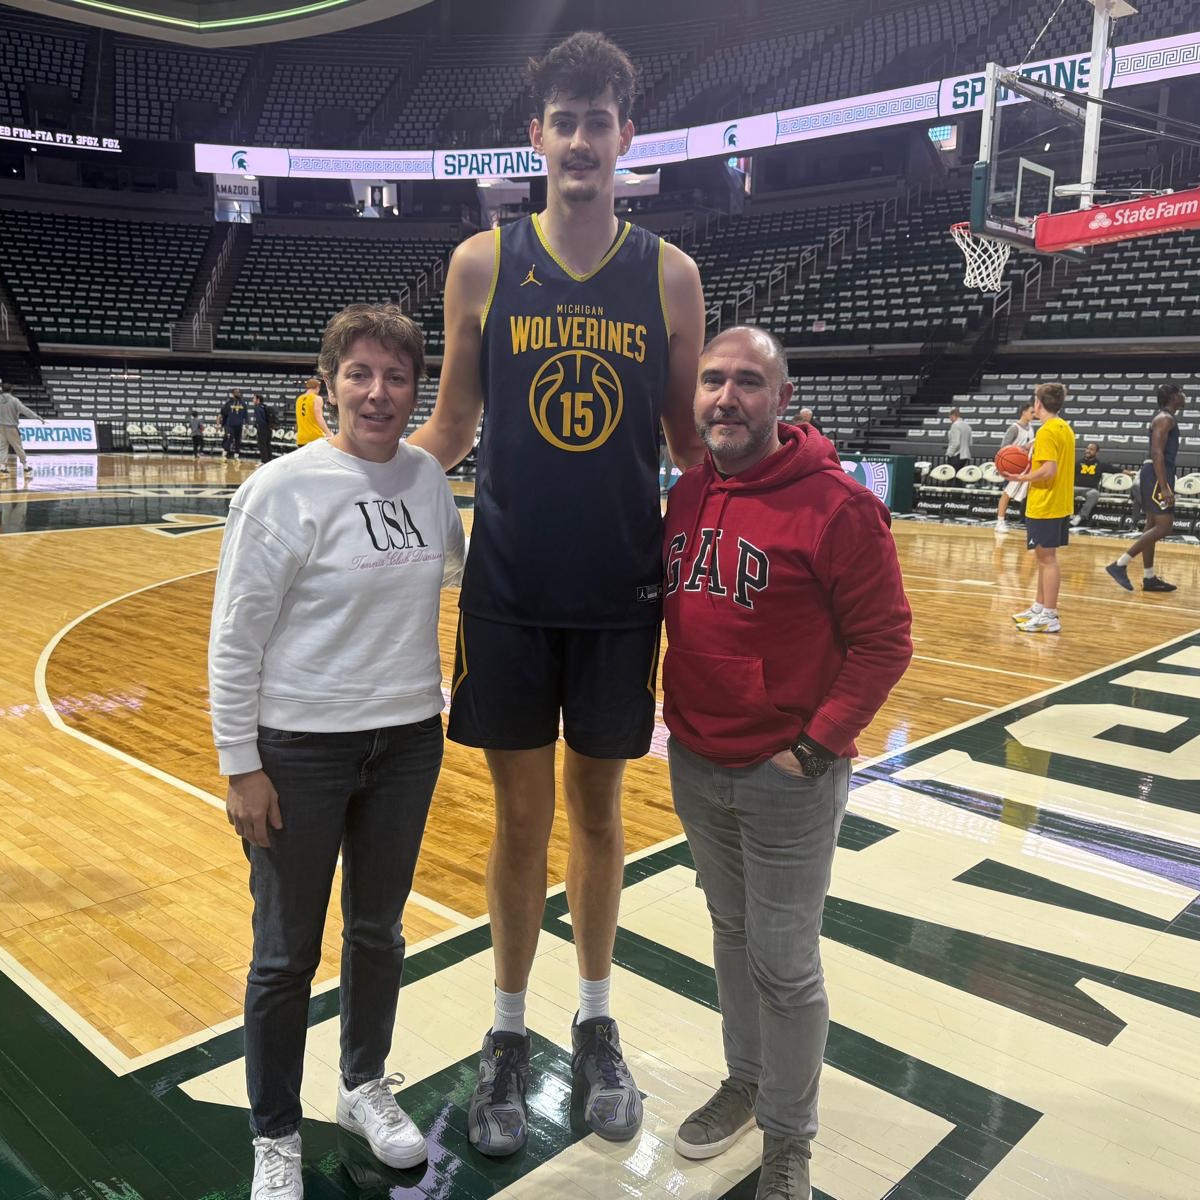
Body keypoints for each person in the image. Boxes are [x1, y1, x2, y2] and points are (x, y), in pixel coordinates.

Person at [407, 30, 706, 1157]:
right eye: (562, 121)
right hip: (510, 593)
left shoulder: (669, 274)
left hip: (625, 597)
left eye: (600, 122)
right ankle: (505, 1033)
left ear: (628, 138)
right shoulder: (483, 262)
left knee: (598, 817)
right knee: (519, 822)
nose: (581, 142)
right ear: (536, 136)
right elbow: (451, 426)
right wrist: (336, 475)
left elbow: (686, 442)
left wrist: (789, 477)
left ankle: (593, 1023)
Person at [208, 304, 465, 1200]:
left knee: (379, 932)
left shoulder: (430, 482)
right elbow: (234, 637)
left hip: (404, 745)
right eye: (358, 374)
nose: (378, 393)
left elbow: (460, 573)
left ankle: (363, 1084)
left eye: (396, 377)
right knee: (284, 955)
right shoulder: (279, 490)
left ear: (415, 391)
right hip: (297, 753)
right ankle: (273, 1131)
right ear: (326, 391)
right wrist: (239, 763)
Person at [662, 326, 912, 1200]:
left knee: (786, 962)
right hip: (695, 759)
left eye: (747, 383)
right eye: (712, 381)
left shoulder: (839, 506)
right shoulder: (689, 491)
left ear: (783, 399)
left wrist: (815, 745)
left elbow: (885, 642)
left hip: (787, 775)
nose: (726, 398)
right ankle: (746, 1079)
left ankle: (789, 1139)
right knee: (731, 938)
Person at [1003, 382, 1075, 634]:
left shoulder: (1046, 431)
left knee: (1047, 560)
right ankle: (1039, 607)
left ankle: (1050, 615)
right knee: (1042, 559)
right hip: (1059, 501)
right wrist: (1029, 449)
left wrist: (1020, 478)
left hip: (1046, 502)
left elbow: (1049, 470)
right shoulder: (1062, 427)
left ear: (1038, 404)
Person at [1105, 383, 1186, 593]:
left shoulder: (1166, 418)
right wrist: (1164, 486)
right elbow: (1157, 453)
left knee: (1151, 526)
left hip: (1158, 473)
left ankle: (1149, 578)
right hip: (1157, 474)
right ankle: (1120, 564)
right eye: (1180, 393)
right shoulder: (1164, 419)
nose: (1184, 396)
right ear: (1172, 396)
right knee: (1164, 526)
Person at [994, 402, 1035, 531]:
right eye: (1031, 412)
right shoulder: (1014, 428)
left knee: (1028, 494)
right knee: (1007, 494)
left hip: (1026, 467)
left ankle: (1027, 519)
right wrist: (1023, 448)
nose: (1033, 414)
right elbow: (1004, 449)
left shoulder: (1031, 427)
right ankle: (1000, 522)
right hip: (1013, 467)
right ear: (1023, 412)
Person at [0, 380, 45, 474]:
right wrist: (37, 417)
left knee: (2, 447)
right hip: (11, 427)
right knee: (18, 447)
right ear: (11, 390)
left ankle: (2, 467)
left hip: (1, 427)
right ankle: (25, 466)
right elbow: (26, 411)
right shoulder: (14, 400)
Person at [295, 376, 332, 446]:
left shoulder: (299, 399)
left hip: (301, 439)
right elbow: (319, 417)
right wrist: (328, 433)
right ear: (318, 387)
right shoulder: (317, 398)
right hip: (315, 438)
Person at [221, 388, 248, 460]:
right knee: (230, 438)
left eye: (239, 392)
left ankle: (236, 455)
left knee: (238, 440)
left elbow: (246, 414)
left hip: (239, 424)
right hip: (230, 424)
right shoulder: (229, 402)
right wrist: (223, 424)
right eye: (236, 392)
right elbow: (224, 413)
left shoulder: (243, 403)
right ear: (233, 394)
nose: (238, 394)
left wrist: (246, 423)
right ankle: (224, 453)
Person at [946, 407, 973, 477]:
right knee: (960, 476)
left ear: (952, 416)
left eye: (950, 417)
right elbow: (970, 442)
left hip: (956, 455)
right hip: (965, 455)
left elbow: (956, 443)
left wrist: (949, 454)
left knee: (951, 476)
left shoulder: (955, 425)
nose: (950, 419)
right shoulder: (968, 426)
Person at [252, 393, 277, 464]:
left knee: (262, 445)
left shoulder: (257, 408)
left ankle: (264, 461)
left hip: (262, 429)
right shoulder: (265, 406)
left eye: (254, 398)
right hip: (269, 429)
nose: (252, 400)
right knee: (267, 445)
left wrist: (259, 428)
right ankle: (269, 461)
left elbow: (260, 420)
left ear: (258, 400)